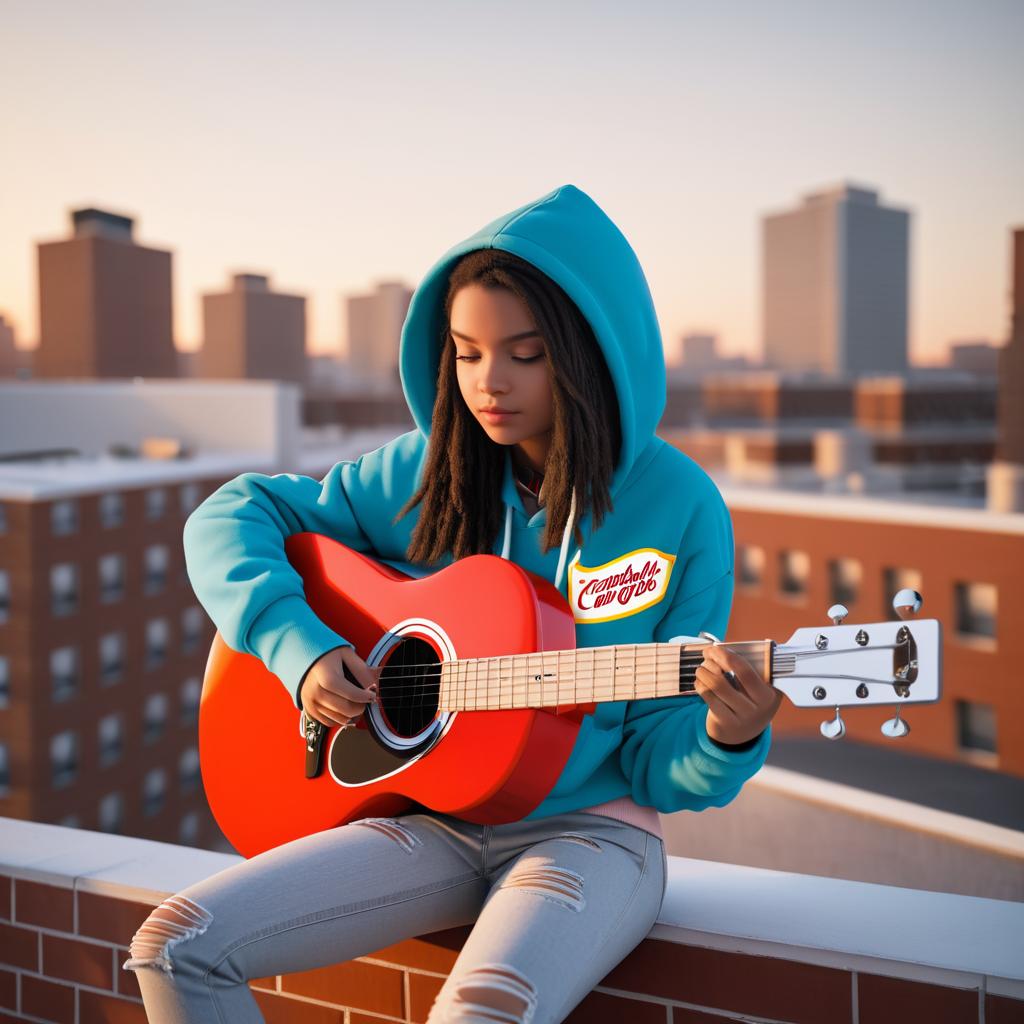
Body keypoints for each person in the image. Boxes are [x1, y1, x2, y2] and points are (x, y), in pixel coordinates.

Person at [123, 183, 782, 1023]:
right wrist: (303, 649)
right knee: (177, 944)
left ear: (589, 353)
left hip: (591, 835)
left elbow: (659, 759)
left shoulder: (680, 507)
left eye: (524, 352)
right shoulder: (428, 470)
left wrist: (728, 735)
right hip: (430, 821)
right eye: (467, 353)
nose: (487, 383)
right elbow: (230, 517)